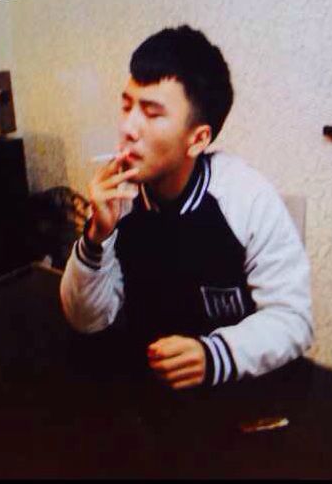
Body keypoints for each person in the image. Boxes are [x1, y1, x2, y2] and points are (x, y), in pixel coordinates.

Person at [60, 25, 313, 390]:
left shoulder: (246, 198)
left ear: (198, 139)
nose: (128, 127)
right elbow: (87, 320)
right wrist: (96, 237)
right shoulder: (119, 199)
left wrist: (214, 355)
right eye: (127, 106)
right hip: (147, 391)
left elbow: (293, 320)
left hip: (237, 395)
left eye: (151, 113)